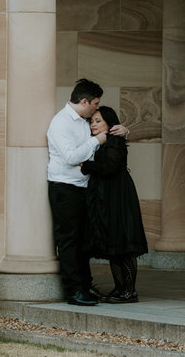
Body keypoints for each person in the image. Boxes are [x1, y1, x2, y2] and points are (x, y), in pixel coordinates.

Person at [47, 78, 128, 306]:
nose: (97, 107)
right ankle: (74, 291)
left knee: (84, 242)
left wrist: (125, 130)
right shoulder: (60, 123)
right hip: (65, 189)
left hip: (85, 188)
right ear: (84, 101)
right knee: (69, 242)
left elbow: (108, 131)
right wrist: (97, 141)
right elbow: (72, 157)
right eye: (95, 103)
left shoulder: (85, 121)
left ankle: (85, 286)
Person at [80, 106, 147, 303]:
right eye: (92, 121)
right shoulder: (101, 142)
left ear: (110, 124)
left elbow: (109, 168)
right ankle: (120, 289)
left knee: (123, 243)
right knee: (115, 244)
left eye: (98, 121)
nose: (93, 124)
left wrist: (86, 166)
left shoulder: (115, 141)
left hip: (118, 197)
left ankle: (128, 291)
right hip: (108, 196)